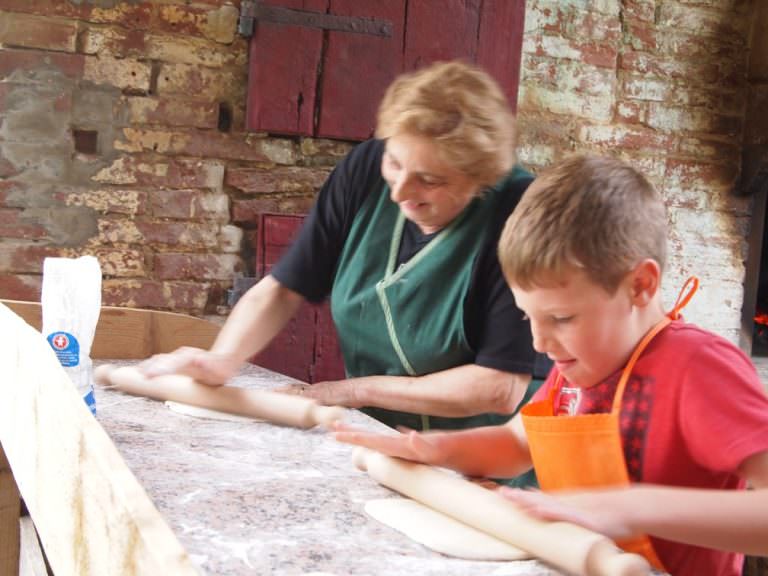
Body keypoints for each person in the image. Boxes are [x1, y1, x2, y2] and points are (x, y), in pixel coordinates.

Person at [334, 154, 768, 576]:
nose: (540, 342)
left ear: (640, 285)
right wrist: (440, 450)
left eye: (561, 318)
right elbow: (516, 446)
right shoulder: (577, 366)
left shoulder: (698, 368)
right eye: (528, 317)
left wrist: (630, 506)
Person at [140, 61, 546, 445]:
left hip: (492, 456)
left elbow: (498, 387)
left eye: (428, 179)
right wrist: (222, 359)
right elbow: (284, 288)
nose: (399, 191)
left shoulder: (517, 212)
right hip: (384, 439)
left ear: (481, 180)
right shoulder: (366, 169)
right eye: (395, 162)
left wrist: (347, 391)